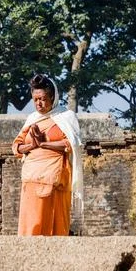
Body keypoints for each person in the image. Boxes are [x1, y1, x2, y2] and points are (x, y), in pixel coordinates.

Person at [12, 74, 83, 236]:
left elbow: (71, 145)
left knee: (55, 227)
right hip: (30, 179)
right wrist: (32, 145)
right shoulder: (32, 119)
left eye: (43, 99)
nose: (39, 103)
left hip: (55, 179)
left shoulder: (66, 117)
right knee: (31, 226)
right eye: (35, 99)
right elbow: (16, 146)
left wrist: (44, 144)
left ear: (53, 97)